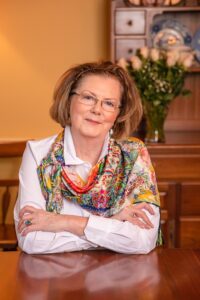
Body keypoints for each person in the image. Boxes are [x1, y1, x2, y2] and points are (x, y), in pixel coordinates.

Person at [14, 61, 162, 254]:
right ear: (68, 101)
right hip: (54, 279)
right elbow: (31, 239)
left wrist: (61, 222)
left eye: (109, 103)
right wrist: (111, 226)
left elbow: (143, 240)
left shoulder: (134, 155)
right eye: (88, 98)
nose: (97, 110)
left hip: (118, 277)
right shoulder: (38, 154)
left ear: (118, 113)